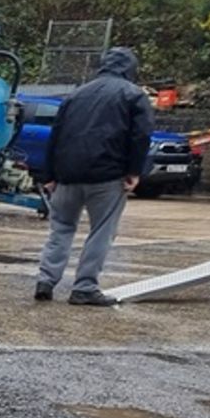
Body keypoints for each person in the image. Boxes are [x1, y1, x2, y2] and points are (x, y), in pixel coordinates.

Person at [34, 46, 154, 306]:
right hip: (107, 177)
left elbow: (55, 135)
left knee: (61, 230)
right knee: (101, 231)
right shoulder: (133, 95)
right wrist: (134, 171)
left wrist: (50, 175)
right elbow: (141, 136)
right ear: (130, 69)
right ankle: (84, 288)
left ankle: (46, 280)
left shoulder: (76, 95)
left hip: (67, 177)